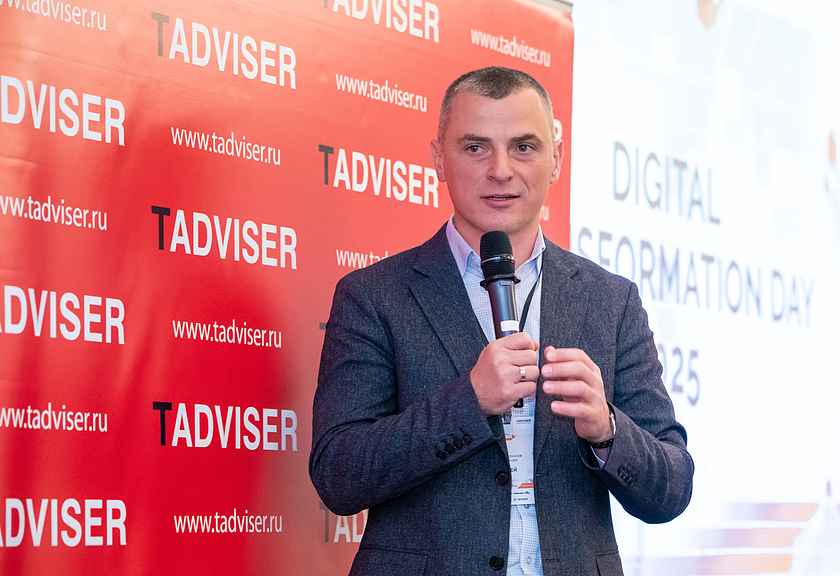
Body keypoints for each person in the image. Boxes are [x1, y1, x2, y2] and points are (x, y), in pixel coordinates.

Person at [310, 67, 693, 576]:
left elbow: (672, 489)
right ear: (438, 159)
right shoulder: (374, 296)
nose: (501, 170)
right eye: (476, 147)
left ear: (556, 159)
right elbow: (338, 475)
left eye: (524, 147)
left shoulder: (611, 300)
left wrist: (606, 430)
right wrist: (468, 402)